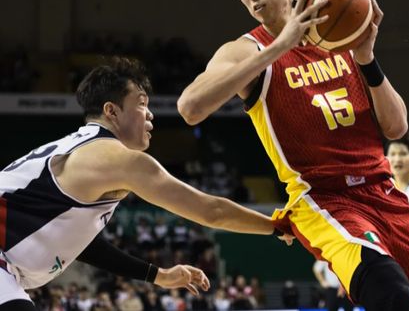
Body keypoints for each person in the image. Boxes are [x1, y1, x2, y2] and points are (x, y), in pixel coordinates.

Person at [178, 0, 409, 311]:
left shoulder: (339, 37)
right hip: (322, 197)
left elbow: (397, 127)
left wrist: (366, 58)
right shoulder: (247, 50)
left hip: (383, 190)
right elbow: (190, 107)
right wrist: (280, 46)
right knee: (390, 292)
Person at [0, 57, 288, 311]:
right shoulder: (116, 159)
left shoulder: (79, 149)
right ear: (111, 111)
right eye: (141, 103)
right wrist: (277, 226)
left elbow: (79, 244)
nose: (150, 114)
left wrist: (158, 275)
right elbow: (211, 211)